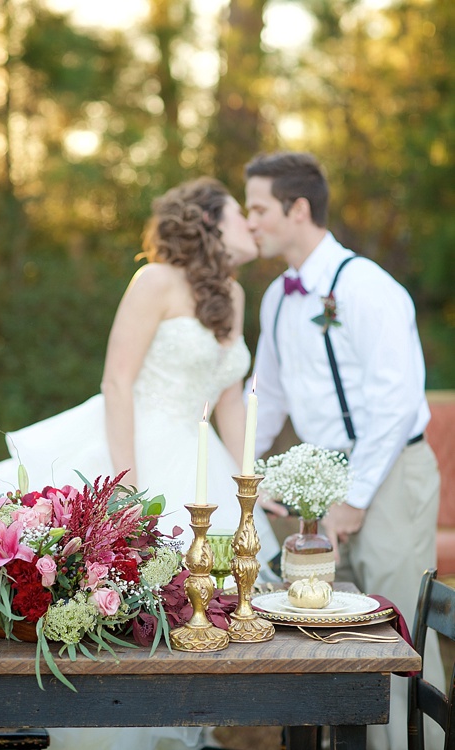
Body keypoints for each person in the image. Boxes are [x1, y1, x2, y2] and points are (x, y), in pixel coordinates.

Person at [0, 176, 280, 750]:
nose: (253, 224)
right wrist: (127, 484)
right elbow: (117, 380)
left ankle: (172, 726)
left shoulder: (233, 294)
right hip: (132, 439)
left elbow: (228, 397)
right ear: (208, 221)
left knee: (198, 599)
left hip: (199, 451)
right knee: (117, 588)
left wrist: (250, 477)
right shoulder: (154, 279)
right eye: (240, 212)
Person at [244, 151, 445, 750]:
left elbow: (396, 402)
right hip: (318, 481)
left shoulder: (369, 288)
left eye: (258, 208)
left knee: (396, 631)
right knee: (320, 630)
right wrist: (247, 477)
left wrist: (354, 498)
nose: (250, 220)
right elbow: (268, 396)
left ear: (297, 208)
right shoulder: (277, 296)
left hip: (390, 475)